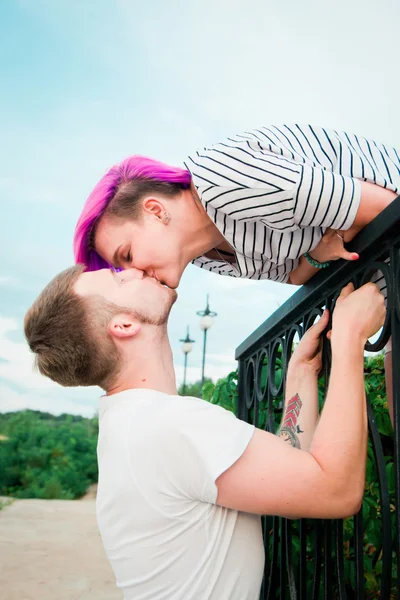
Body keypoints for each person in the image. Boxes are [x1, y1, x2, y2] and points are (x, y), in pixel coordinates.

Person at [24, 265, 385, 600]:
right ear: (123, 326)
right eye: (120, 279)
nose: (134, 269)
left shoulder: (132, 426)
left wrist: (300, 376)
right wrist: (350, 336)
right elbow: (335, 491)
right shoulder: (170, 424)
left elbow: (292, 486)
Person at [73, 123, 398, 421]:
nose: (134, 273)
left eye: (127, 255)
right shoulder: (206, 255)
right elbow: (296, 275)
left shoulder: (223, 180)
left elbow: (387, 209)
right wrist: (317, 254)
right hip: (382, 264)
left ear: (156, 211)